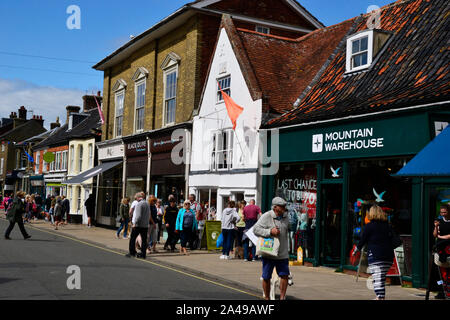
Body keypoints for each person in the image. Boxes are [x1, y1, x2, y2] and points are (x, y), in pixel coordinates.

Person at [354, 205, 395, 300]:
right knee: (381, 278)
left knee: (377, 279)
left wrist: (357, 249)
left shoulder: (369, 226)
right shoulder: (387, 226)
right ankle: (380, 297)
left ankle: (380, 297)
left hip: (376, 256)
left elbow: (362, 240)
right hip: (388, 257)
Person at [254, 197, 290, 300]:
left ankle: (282, 297)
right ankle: (267, 298)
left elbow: (290, 227)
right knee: (266, 276)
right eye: (282, 206)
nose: (284, 208)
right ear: (275, 207)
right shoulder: (267, 216)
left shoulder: (286, 217)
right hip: (269, 252)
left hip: (282, 252)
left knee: (284, 275)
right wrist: (270, 232)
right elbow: (256, 229)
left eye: (284, 206)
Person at [432, 204, 450, 299]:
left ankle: (448, 290)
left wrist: (440, 237)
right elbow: (435, 234)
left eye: (445, 212)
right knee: (438, 272)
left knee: (448, 271)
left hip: (448, 249)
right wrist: (436, 227)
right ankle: (441, 290)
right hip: (440, 249)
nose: (443, 214)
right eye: (441, 212)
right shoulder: (439, 222)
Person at [126, 193, 150, 259]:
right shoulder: (147, 203)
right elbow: (148, 215)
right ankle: (143, 254)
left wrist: (134, 223)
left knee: (132, 238)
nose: (136, 199)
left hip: (138, 225)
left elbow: (138, 216)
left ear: (138, 198)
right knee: (144, 240)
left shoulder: (139, 204)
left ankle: (132, 253)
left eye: (136, 198)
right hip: (145, 225)